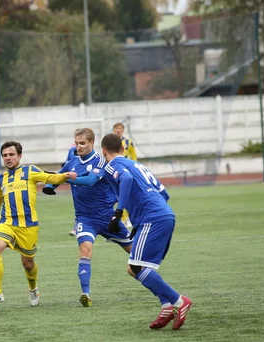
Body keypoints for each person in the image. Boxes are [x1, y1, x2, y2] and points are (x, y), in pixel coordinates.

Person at [68, 133, 192, 330]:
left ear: (103, 151)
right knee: (135, 268)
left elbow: (125, 180)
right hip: (164, 215)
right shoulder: (137, 165)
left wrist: (119, 211)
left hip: (153, 218)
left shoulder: (112, 166)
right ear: (123, 149)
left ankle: (178, 301)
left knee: (135, 268)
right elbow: (164, 193)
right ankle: (167, 305)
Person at [43, 128, 132, 307]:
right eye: (76, 143)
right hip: (85, 218)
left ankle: (153, 278)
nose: (78, 146)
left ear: (92, 143)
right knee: (85, 250)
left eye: (82, 143)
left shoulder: (101, 161)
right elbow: (58, 177)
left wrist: (65, 178)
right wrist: (50, 185)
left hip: (108, 218)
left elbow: (90, 181)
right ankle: (86, 294)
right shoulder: (72, 162)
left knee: (135, 252)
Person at [0, 141, 77, 306]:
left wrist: (65, 176)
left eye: (11, 154)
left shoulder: (30, 171)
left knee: (28, 264)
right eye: (5, 155)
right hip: (7, 223)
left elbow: (49, 177)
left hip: (28, 226)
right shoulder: (1, 179)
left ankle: (33, 288)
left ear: (19, 156)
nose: (8, 158)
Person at [112, 122, 137, 230]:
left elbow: (134, 156)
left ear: (123, 130)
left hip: (126, 172)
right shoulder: (111, 143)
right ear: (114, 130)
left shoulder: (128, 142)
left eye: (120, 128)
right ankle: (122, 218)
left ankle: (127, 218)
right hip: (116, 171)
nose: (118, 130)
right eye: (117, 128)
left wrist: (134, 169)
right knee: (117, 195)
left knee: (127, 194)